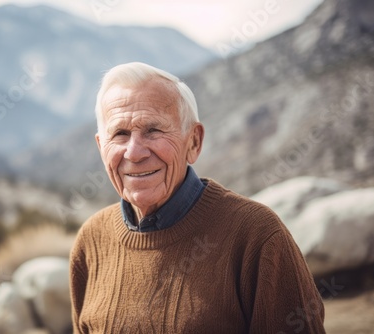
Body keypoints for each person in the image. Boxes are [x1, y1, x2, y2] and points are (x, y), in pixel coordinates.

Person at [69, 62, 325, 333]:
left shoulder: (256, 236)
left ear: (193, 142)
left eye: (153, 130)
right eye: (120, 134)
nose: (134, 152)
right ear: (101, 147)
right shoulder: (91, 241)